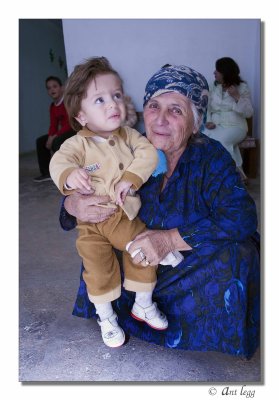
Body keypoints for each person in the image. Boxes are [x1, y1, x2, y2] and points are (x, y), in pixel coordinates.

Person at [59, 64, 260, 358]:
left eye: (176, 110)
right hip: (136, 256)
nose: (161, 119)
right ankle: (119, 314)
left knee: (239, 256)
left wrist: (168, 240)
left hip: (185, 261)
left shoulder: (210, 156)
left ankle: (179, 321)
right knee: (100, 243)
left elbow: (241, 216)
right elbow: (77, 178)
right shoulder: (125, 144)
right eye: (154, 106)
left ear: (195, 122)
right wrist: (71, 202)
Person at [50, 57, 176, 348]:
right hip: (91, 224)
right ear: (81, 117)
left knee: (142, 247)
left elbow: (146, 154)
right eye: (100, 100)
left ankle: (142, 303)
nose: (113, 104)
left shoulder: (130, 136)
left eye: (117, 95)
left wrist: (130, 177)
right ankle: (105, 316)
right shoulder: (76, 144)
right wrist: (70, 176)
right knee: (97, 267)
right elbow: (60, 163)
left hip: (122, 213)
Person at [203, 57, 254, 182]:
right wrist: (208, 120)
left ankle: (234, 174)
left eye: (218, 70)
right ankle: (220, 174)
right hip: (216, 125)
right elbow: (207, 108)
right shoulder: (212, 86)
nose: (214, 73)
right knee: (204, 139)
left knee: (220, 140)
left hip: (236, 126)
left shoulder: (242, 87)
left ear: (225, 72)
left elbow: (249, 113)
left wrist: (237, 96)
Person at [33, 76, 76, 182]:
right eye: (49, 88)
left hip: (74, 129)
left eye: (55, 86)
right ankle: (46, 173)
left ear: (61, 88)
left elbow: (70, 123)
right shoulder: (53, 106)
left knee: (57, 141)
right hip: (62, 132)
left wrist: (54, 137)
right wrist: (49, 137)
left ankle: (64, 172)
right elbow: (53, 124)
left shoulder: (67, 102)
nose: (52, 90)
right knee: (41, 141)